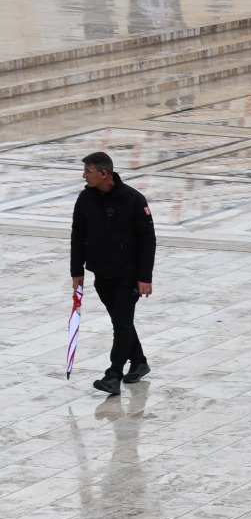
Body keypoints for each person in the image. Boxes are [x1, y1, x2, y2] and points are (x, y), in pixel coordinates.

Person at [71, 153, 155, 398]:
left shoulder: (133, 199)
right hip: (102, 273)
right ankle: (139, 361)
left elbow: (148, 239)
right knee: (121, 321)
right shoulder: (85, 199)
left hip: (128, 275)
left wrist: (145, 277)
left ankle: (113, 375)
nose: (84, 176)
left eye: (88, 171)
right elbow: (78, 234)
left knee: (121, 322)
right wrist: (76, 271)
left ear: (103, 173)